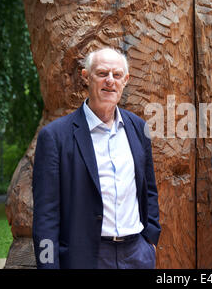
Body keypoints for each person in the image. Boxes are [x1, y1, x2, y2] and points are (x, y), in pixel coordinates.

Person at [32, 48, 161, 269]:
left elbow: (148, 189)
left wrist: (151, 238)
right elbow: (45, 216)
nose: (110, 81)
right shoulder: (55, 137)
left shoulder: (138, 128)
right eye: (102, 73)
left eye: (117, 75)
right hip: (85, 258)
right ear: (86, 77)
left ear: (126, 80)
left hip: (137, 254)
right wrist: (47, 266)